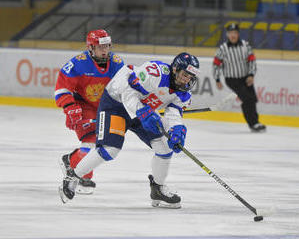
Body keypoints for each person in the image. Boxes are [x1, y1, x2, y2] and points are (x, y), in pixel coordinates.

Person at [58, 53, 200, 209]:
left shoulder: (184, 94)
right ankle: (73, 175)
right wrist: (141, 111)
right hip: (116, 103)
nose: (187, 79)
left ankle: (158, 189)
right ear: (175, 69)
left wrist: (176, 129)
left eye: (190, 77)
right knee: (109, 149)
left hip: (143, 111)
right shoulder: (155, 73)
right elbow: (127, 92)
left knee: (165, 148)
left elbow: (173, 114)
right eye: (185, 74)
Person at [55, 29, 124, 194]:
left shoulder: (117, 62)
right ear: (90, 48)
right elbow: (62, 87)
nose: (105, 50)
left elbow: (125, 87)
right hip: (83, 105)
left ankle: (71, 162)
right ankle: (80, 173)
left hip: (106, 106)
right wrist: (70, 107)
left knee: (103, 146)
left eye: (107, 46)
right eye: (101, 47)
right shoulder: (78, 63)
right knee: (90, 144)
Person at [212, 23, 266, 132]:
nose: (233, 35)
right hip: (232, 80)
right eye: (231, 33)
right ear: (227, 35)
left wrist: (251, 74)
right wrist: (217, 79)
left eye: (235, 33)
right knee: (247, 98)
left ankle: (255, 122)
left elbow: (252, 60)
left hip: (246, 77)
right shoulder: (223, 48)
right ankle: (253, 123)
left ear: (238, 34)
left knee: (252, 98)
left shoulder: (246, 45)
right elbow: (216, 64)